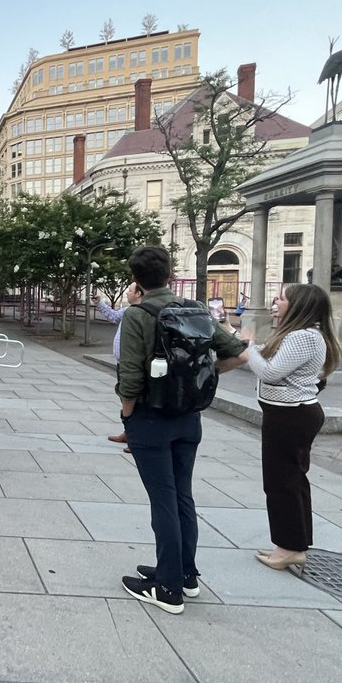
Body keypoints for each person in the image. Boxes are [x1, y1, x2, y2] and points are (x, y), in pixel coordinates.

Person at [116, 247, 247, 614]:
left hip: (151, 418)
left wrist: (128, 419)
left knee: (163, 501)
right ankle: (185, 575)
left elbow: (130, 378)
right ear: (170, 274)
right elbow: (239, 353)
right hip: (190, 418)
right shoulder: (196, 309)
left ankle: (168, 588)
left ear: (137, 279)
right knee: (182, 496)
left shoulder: (137, 315)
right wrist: (200, 376)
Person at [239, 283, 342, 570]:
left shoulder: (303, 337)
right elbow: (265, 354)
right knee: (290, 481)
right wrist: (243, 342)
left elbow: (270, 373)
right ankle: (292, 544)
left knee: (281, 482)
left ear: (298, 305)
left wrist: (248, 349)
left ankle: (289, 548)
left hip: (291, 417)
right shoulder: (299, 335)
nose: (275, 300)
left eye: (282, 298)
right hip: (289, 416)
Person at [94, 283, 143, 450]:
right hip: (122, 364)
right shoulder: (128, 311)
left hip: (132, 366)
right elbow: (114, 316)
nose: (127, 293)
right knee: (125, 399)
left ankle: (136, 438)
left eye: (129, 290)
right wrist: (100, 303)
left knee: (133, 400)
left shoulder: (143, 313)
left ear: (138, 294)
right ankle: (129, 432)